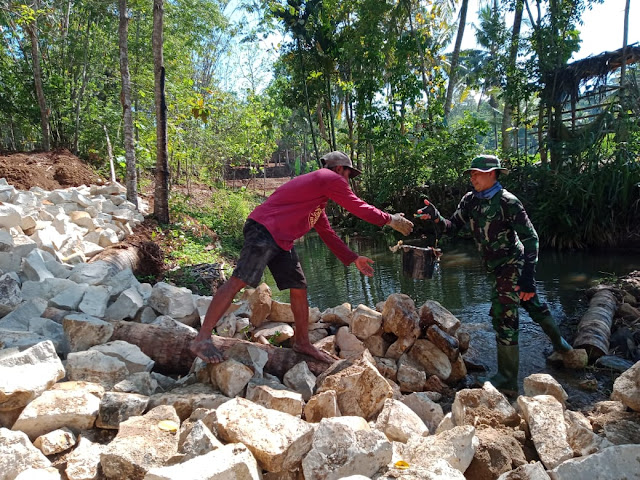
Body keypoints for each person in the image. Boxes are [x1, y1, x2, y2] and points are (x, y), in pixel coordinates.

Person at [190, 151, 414, 364]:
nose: (348, 181)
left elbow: (328, 234)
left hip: (281, 239)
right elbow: (357, 206)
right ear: (339, 169)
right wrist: (390, 219)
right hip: (264, 229)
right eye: (348, 174)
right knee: (238, 281)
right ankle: (202, 339)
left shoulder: (316, 202)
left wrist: (354, 258)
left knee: (299, 287)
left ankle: (302, 342)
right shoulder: (329, 177)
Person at [415, 154, 572, 394]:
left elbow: (531, 239)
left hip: (514, 264)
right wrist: (436, 217)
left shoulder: (508, 202)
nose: (472, 177)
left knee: (504, 316)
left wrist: (528, 277)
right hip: (495, 267)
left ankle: (508, 380)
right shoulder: (470, 201)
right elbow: (452, 227)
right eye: (471, 173)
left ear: (492, 174)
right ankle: (561, 345)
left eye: (476, 173)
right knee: (532, 304)